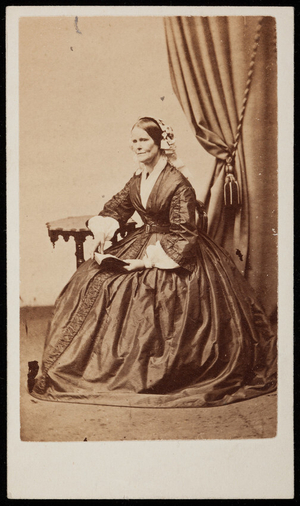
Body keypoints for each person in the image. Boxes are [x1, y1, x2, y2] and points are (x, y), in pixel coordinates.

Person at [31, 117, 277, 408]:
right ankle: (78, 363)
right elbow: (117, 206)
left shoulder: (177, 182)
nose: (137, 146)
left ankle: (144, 370)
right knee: (91, 278)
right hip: (144, 240)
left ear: (160, 142)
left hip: (175, 252)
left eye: (143, 140)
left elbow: (185, 234)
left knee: (145, 299)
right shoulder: (139, 177)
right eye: (134, 141)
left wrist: (145, 263)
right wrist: (105, 226)